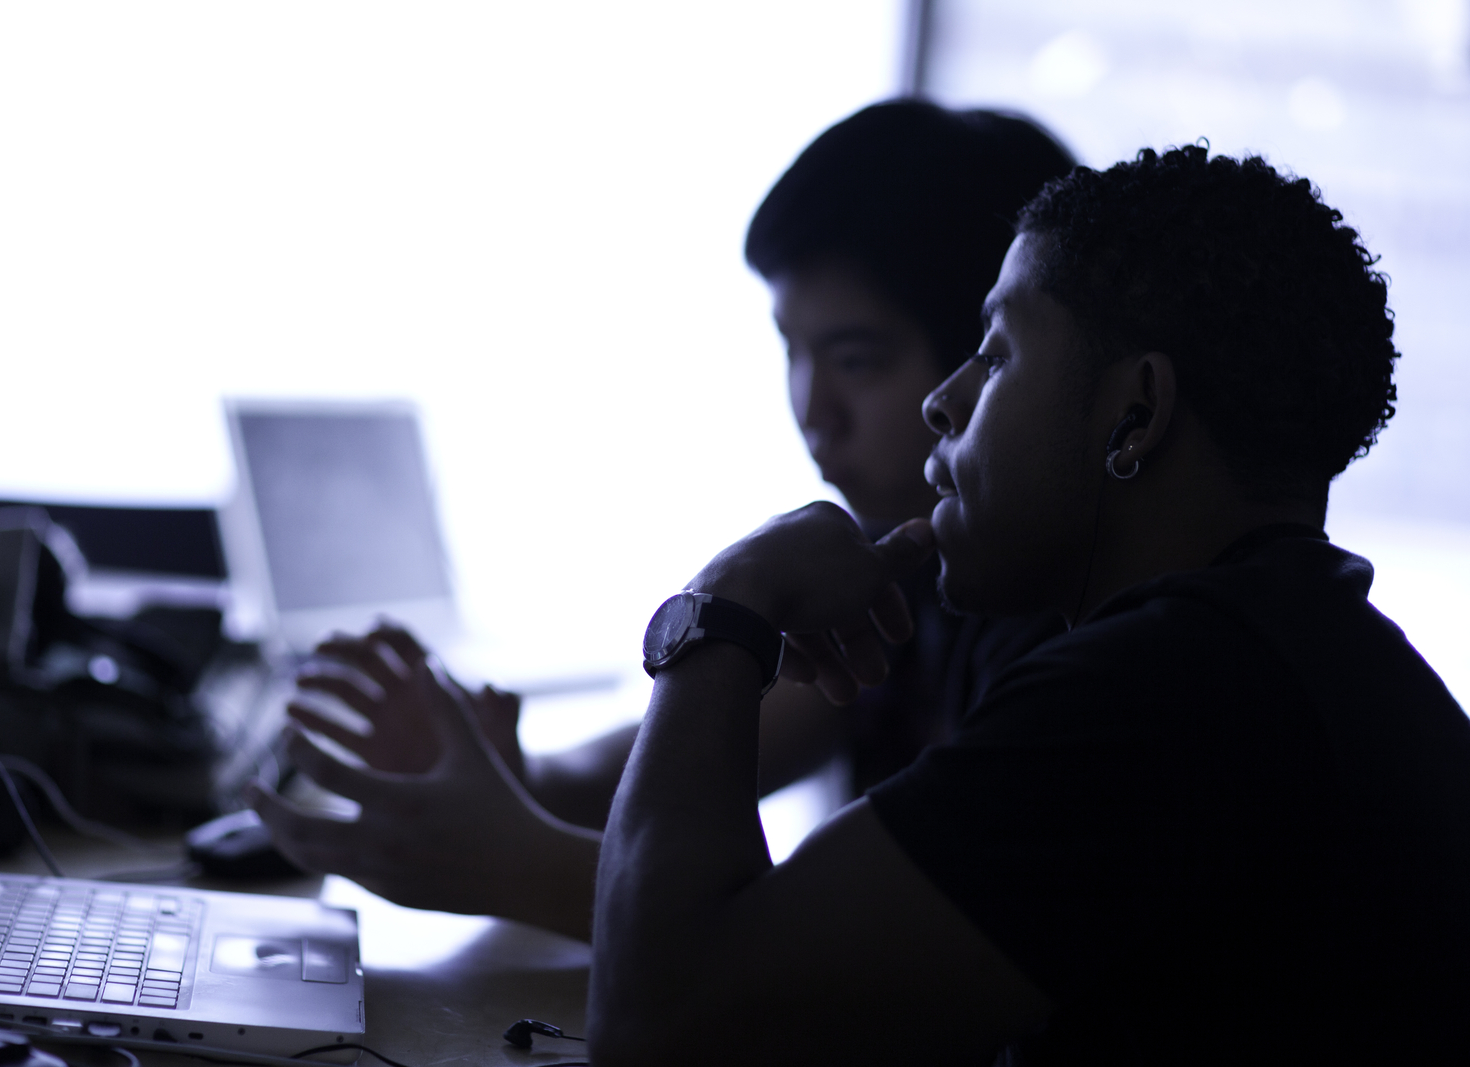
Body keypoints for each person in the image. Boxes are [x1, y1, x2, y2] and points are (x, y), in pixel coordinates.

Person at [581, 145, 1470, 1064]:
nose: (942, 400)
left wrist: (727, 604)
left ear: (1136, 412)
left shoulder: (1168, 697)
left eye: (997, 353)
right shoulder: (1279, 650)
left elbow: (662, 1023)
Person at [249, 100, 1073, 938]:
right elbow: (684, 766)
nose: (812, 410)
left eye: (857, 359)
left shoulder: (1065, 649)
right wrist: (510, 775)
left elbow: (861, 963)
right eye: (793, 349)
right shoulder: (908, 578)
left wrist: (513, 860)